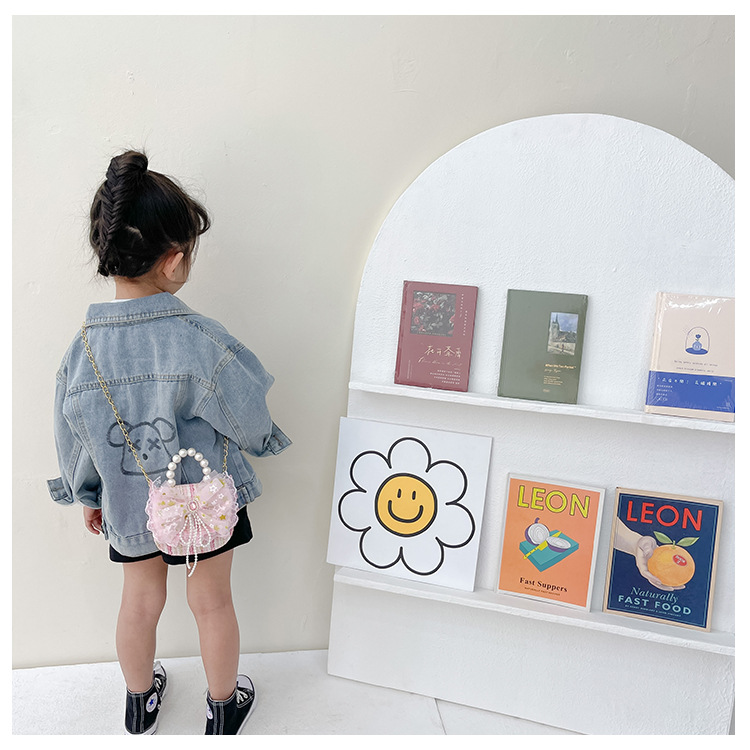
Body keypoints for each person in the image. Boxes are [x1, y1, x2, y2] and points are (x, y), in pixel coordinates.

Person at [47, 150, 291, 735]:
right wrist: (263, 441)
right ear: (176, 259)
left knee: (138, 602)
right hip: (205, 500)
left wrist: (86, 494)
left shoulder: (82, 350)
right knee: (213, 602)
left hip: (129, 498)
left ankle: (139, 706)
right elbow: (246, 405)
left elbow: (72, 435)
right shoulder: (199, 338)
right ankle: (224, 708)